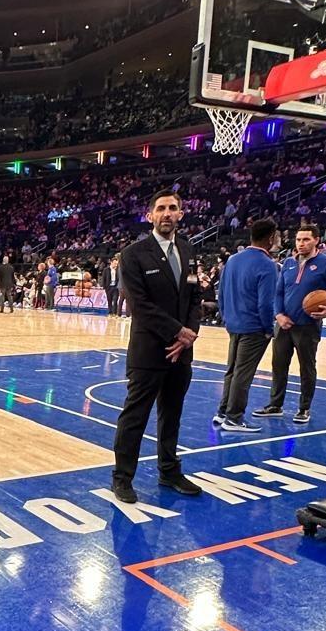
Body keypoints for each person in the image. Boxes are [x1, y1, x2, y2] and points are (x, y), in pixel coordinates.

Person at [112, 190, 203, 503]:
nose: (167, 213)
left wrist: (189, 332)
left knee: (172, 414)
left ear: (181, 214)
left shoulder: (189, 250)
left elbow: (195, 297)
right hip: (149, 350)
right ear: (150, 215)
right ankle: (122, 477)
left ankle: (169, 471)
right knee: (135, 416)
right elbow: (139, 304)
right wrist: (177, 332)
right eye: (161, 208)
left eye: (173, 208)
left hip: (182, 350)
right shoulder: (134, 254)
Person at [255, 224, 326, 425]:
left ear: (316, 240)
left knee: (307, 367)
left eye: (306, 239)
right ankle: (275, 405)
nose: (301, 243)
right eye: (298, 240)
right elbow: (278, 292)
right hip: (284, 324)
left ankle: (304, 408)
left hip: (308, 325)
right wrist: (278, 314)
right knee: (278, 365)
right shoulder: (288, 262)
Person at [213, 218, 280, 433]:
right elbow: (265, 302)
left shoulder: (232, 260)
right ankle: (234, 418)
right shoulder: (268, 265)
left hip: (234, 324)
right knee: (243, 373)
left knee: (232, 371)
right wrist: (269, 328)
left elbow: (221, 294)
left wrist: (227, 318)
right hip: (253, 327)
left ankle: (223, 412)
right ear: (270, 239)